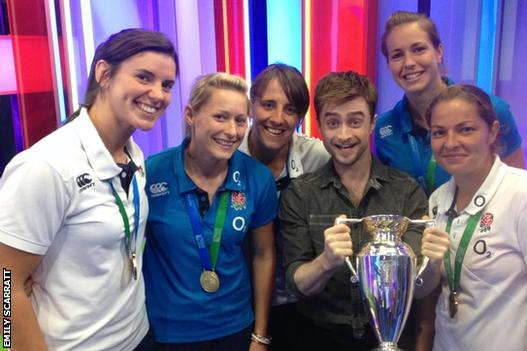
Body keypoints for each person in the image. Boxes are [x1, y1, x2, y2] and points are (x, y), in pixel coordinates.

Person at [0, 28, 178, 350]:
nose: (158, 94)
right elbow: (4, 284)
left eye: (166, 85)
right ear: (104, 73)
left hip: (138, 336)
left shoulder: (133, 154)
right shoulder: (47, 166)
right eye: (144, 77)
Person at [279, 71, 449, 351]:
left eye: (355, 121)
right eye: (333, 122)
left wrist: (432, 265)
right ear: (319, 125)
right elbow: (295, 283)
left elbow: (419, 289)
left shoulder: (405, 191)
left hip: (392, 337)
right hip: (319, 338)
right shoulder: (299, 194)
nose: (344, 135)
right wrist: (326, 261)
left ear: (371, 123)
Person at [425, 84, 527, 350]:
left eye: (466, 129)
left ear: (492, 132)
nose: (450, 143)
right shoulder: (438, 200)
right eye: (439, 132)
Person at [143, 72, 277, 351]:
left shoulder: (257, 178)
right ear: (191, 115)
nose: (232, 131)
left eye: (240, 120)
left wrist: (260, 335)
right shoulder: (152, 173)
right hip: (168, 333)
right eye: (220, 117)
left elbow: (264, 255)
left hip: (235, 328)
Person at [375, 11, 525, 196]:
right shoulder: (385, 128)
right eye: (397, 55)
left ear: (439, 52)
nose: (409, 63)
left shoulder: (493, 111)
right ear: (388, 64)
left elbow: (517, 191)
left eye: (418, 49)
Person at [238, 63, 329, 350]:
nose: (278, 118)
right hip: (240, 302)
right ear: (251, 104)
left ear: (300, 117)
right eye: (268, 105)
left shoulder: (316, 156)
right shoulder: (227, 151)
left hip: (299, 303)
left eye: (290, 110)